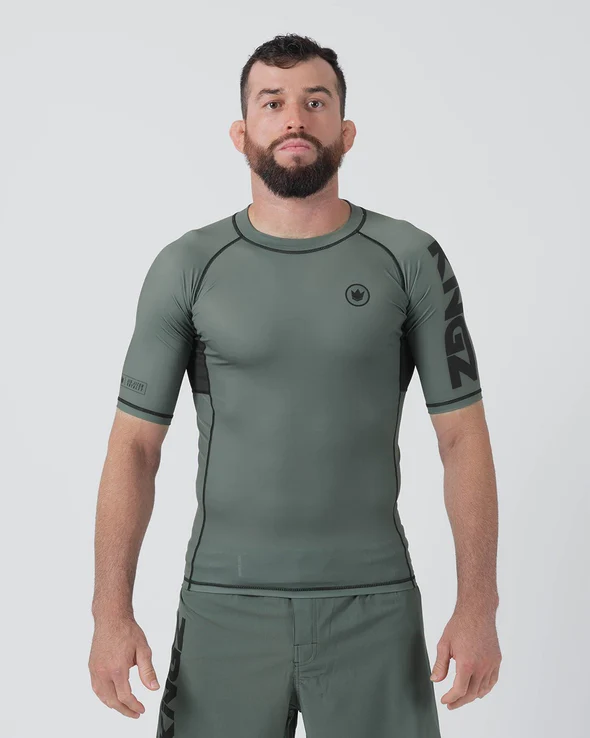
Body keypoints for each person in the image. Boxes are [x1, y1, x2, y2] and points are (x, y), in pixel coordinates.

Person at [88, 33, 501, 738]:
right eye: (272, 103)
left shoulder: (410, 257)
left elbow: (462, 437)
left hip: (374, 605)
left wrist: (478, 606)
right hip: (224, 606)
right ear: (241, 132)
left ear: (346, 130)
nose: (294, 120)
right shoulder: (187, 266)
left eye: (315, 102)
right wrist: (110, 614)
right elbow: (134, 449)